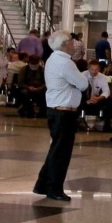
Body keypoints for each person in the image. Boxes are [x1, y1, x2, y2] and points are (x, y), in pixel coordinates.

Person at [35, 31, 89, 202]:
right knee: (61, 152)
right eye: (72, 43)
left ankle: (43, 184)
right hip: (63, 112)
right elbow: (83, 84)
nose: (75, 45)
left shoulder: (52, 59)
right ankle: (54, 188)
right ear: (64, 44)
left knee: (55, 149)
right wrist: (77, 82)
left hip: (54, 109)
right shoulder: (65, 63)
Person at [82, 62, 112, 132]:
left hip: (96, 99)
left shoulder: (102, 77)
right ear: (88, 68)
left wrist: (98, 98)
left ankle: (107, 125)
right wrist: (87, 99)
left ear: (99, 69)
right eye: (92, 69)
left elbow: (106, 91)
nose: (94, 72)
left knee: (110, 101)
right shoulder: (82, 75)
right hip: (84, 99)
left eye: (96, 70)